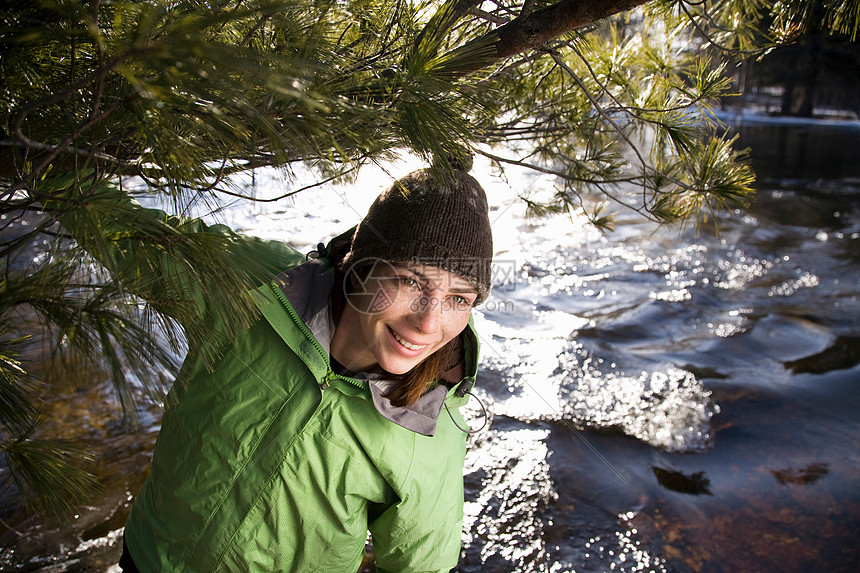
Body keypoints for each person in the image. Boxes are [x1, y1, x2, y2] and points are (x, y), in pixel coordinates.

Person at [98, 164, 494, 572]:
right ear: (361, 267)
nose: (428, 324)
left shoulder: (432, 427)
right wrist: (46, 164)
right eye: (410, 282)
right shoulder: (259, 287)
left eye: (459, 299)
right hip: (147, 556)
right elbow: (128, 232)